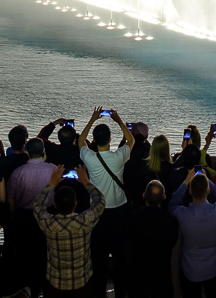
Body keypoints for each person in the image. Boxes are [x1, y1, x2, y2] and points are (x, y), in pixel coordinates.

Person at [79, 106, 134, 296]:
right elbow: (131, 140)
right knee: (120, 256)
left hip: (97, 212)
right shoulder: (119, 157)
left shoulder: (90, 157)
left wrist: (93, 119)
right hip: (119, 210)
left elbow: (80, 141)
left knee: (98, 257)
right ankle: (120, 291)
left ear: (94, 140)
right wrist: (119, 121)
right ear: (110, 140)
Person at [33, 163, 107, 297]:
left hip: (56, 283)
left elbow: (37, 204)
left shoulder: (48, 223)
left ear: (54, 204)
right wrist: (86, 181)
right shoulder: (85, 221)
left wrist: (51, 184)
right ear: (75, 204)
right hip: (82, 282)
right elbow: (100, 201)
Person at [5, 138, 55, 298]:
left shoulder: (18, 172)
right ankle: (42, 285)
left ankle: (29, 287)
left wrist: (14, 217)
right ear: (43, 151)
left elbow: (11, 199)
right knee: (44, 253)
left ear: (27, 152)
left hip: (24, 217)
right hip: (47, 216)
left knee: (26, 254)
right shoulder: (53, 169)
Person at [171, 167, 216, 297]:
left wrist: (186, 181)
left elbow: (173, 204)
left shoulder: (182, 214)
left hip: (190, 268)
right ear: (208, 191)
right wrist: (207, 179)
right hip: (213, 267)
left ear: (190, 191)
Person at [128, 180, 180, 298]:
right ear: (164, 197)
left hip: (138, 279)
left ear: (144, 195)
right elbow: (172, 242)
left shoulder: (132, 218)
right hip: (161, 279)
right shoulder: (170, 222)